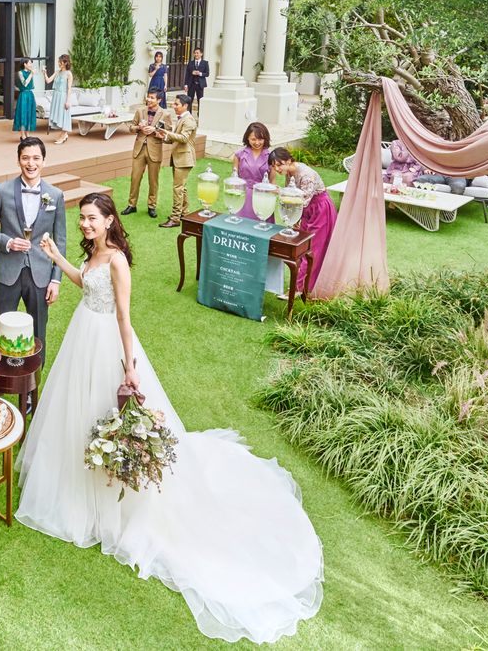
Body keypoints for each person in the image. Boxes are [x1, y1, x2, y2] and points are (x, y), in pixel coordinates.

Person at [21, 194, 323, 643]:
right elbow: (86, 284)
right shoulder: (94, 253)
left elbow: (124, 317)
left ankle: (113, 502)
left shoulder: (117, 260)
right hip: (82, 335)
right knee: (74, 413)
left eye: (92, 218)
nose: (84, 224)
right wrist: (57, 257)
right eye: (81, 218)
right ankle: (74, 485)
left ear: (109, 221)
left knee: (104, 414)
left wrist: (129, 367)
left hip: (105, 344)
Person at [0, 136, 67, 354]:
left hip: (41, 274)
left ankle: (34, 376)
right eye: (25, 158)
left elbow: (60, 241)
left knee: (38, 332)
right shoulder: (2, 190)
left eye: (36, 158)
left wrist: (56, 279)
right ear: (18, 160)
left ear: (44, 161)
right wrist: (7, 241)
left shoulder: (55, 195)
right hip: (7, 272)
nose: (31, 163)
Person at [270, 147, 336, 293]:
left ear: (288, 160)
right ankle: (298, 286)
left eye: (279, 165)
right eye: (274, 166)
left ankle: (299, 290)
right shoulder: (289, 173)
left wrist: (280, 191)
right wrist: (295, 218)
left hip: (320, 210)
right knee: (300, 248)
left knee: (312, 249)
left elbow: (303, 200)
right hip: (305, 211)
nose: (277, 169)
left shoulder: (306, 174)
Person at [120, 90, 165, 220]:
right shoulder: (140, 111)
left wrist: (155, 130)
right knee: (135, 178)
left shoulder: (165, 114)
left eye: (152, 98)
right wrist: (139, 127)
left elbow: (168, 132)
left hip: (154, 150)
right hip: (139, 149)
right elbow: (131, 128)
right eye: (148, 97)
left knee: (153, 180)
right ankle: (131, 205)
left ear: (159, 100)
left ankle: (152, 206)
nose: (149, 99)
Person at [158, 94, 199, 228]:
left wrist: (167, 133)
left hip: (184, 159)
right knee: (182, 188)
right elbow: (175, 139)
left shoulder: (189, 120)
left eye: (177, 104)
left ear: (185, 106)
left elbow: (184, 138)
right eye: (174, 104)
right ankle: (184, 213)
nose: (173, 106)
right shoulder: (182, 119)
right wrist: (163, 136)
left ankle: (175, 218)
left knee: (178, 188)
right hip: (180, 158)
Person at [232, 122, 274, 220]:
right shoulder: (239, 155)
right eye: (253, 139)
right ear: (247, 138)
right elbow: (234, 178)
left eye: (260, 139)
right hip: (243, 195)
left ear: (265, 139)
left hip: (262, 196)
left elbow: (272, 182)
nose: (257, 142)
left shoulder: (270, 157)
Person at [45, 53, 73, 145]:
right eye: (58, 62)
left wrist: (68, 101)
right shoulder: (57, 72)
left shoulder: (68, 74)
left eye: (60, 62)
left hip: (63, 96)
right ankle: (64, 134)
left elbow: (69, 88)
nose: (58, 63)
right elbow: (48, 81)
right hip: (56, 96)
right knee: (59, 115)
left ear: (65, 63)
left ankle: (63, 135)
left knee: (64, 115)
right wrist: (44, 73)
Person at [13, 57, 38, 135]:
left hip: (30, 95)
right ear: (25, 64)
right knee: (23, 114)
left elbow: (31, 85)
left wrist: (32, 73)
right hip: (23, 95)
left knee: (29, 113)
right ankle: (23, 135)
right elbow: (25, 84)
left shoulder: (30, 72)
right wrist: (31, 74)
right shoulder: (20, 73)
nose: (31, 65)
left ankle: (28, 133)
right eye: (30, 63)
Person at [185, 48, 210, 113]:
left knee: (200, 100)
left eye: (197, 53)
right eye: (195, 53)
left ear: (201, 54)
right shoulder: (190, 63)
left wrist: (200, 73)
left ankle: (200, 114)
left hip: (200, 85)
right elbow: (187, 74)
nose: (196, 54)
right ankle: (189, 114)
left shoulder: (205, 63)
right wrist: (186, 85)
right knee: (189, 100)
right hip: (191, 84)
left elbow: (207, 74)